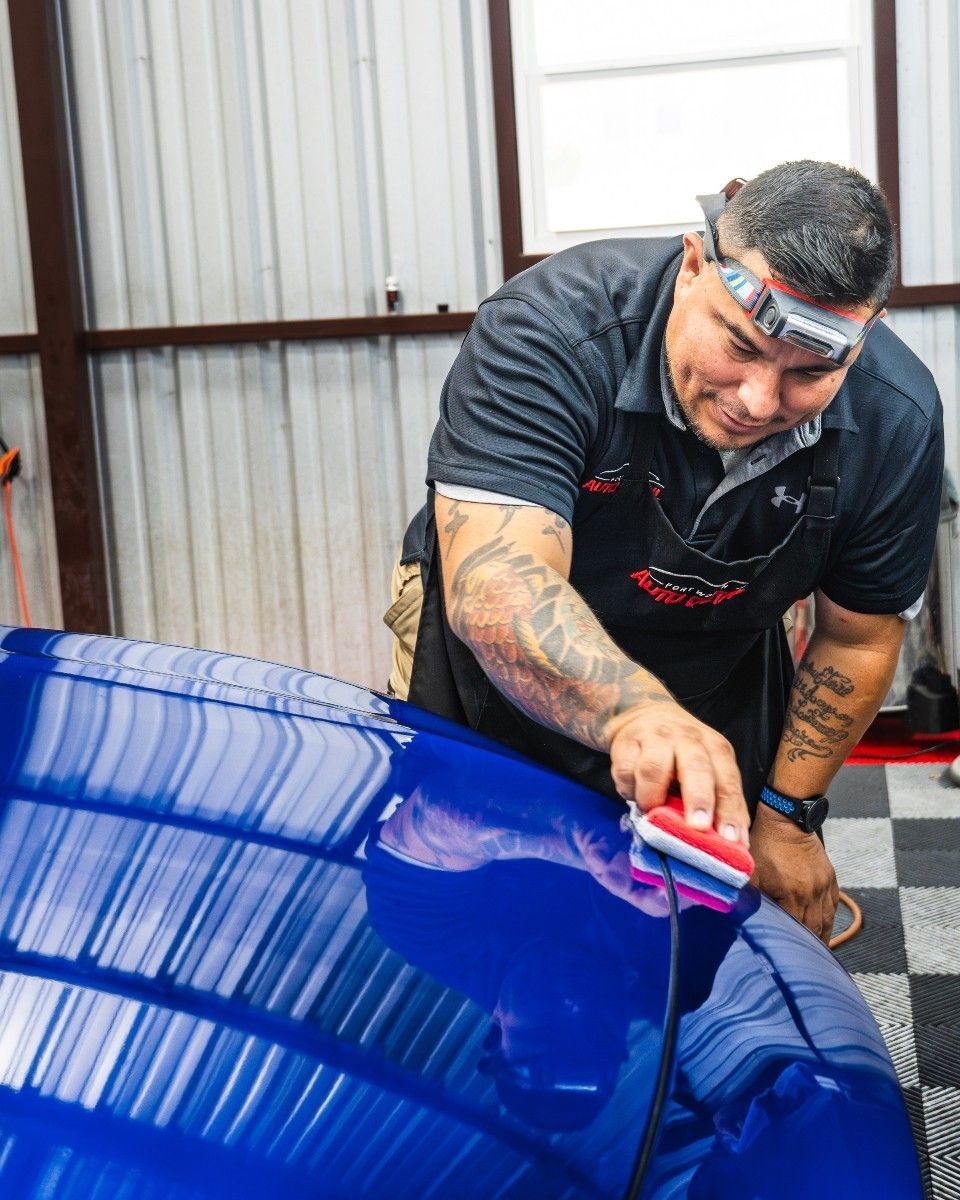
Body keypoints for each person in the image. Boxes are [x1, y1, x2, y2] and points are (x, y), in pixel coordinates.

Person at [385, 160, 944, 944]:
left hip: (722, 639)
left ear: (864, 338)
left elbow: (857, 636)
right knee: (472, 905)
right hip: (493, 640)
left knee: (687, 921)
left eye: (811, 373)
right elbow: (498, 580)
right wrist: (638, 713)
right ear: (691, 266)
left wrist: (788, 819)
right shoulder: (552, 325)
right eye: (740, 345)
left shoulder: (896, 415)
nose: (757, 400)